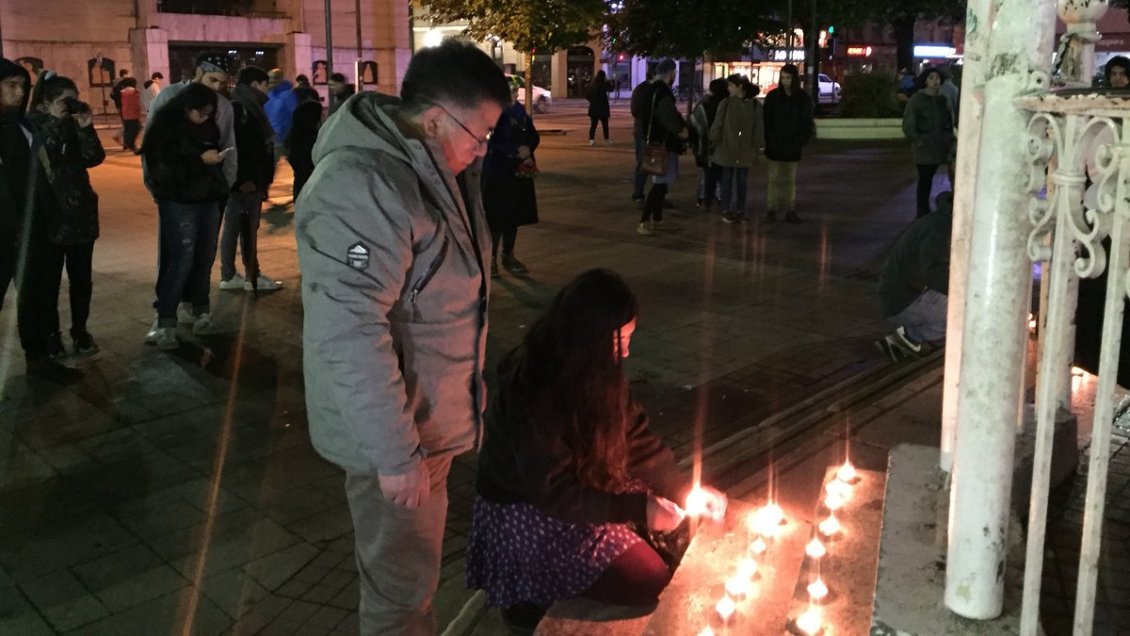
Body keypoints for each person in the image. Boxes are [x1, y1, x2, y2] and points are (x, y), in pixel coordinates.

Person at [295, 39, 510, 634]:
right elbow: (348, 329)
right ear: (438, 117)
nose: (482, 148)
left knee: (412, 576)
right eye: (481, 132)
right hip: (396, 434)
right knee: (399, 587)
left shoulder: (432, 168)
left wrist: (463, 393)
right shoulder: (364, 183)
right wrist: (395, 454)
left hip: (426, 421)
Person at [466, 269, 727, 632]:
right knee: (648, 578)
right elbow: (552, 490)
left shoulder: (596, 370)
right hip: (528, 511)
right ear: (590, 337)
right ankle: (529, 598)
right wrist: (636, 509)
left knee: (675, 535)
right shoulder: (534, 390)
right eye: (620, 339)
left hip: (575, 484)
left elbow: (635, 436)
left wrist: (684, 488)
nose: (627, 350)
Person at [0, 60, 86, 383]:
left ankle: (38, 359)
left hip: (34, 229)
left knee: (36, 297)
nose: (19, 92)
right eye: (10, 85)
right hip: (2, 231)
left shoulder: (25, 127)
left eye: (22, 86)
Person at [143, 52, 237, 341]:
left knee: (203, 253)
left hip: (209, 194)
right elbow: (153, 147)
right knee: (176, 254)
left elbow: (228, 145)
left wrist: (226, 186)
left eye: (222, 83)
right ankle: (165, 315)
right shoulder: (169, 98)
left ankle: (197, 307)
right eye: (212, 80)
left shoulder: (221, 106)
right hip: (176, 195)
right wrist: (154, 185)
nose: (216, 88)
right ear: (198, 73)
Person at [28, 74, 106, 358]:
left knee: (81, 280)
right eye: (64, 101)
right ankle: (52, 335)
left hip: (81, 214)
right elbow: (39, 154)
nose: (70, 106)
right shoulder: (34, 125)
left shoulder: (74, 124)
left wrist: (86, 127)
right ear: (46, 102)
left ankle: (80, 330)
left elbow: (93, 158)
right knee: (48, 283)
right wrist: (55, 122)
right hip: (51, 217)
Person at [218, 66, 281, 293]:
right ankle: (244, 276)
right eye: (265, 85)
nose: (267, 90)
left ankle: (235, 274)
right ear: (255, 84)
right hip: (245, 181)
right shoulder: (241, 108)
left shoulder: (245, 105)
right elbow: (239, 148)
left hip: (249, 180)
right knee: (242, 228)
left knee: (236, 227)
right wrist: (245, 179)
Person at [875, 191, 953, 362]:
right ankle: (909, 336)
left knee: (965, 303)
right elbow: (935, 274)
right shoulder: (941, 229)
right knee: (967, 309)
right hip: (901, 300)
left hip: (904, 294)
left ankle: (908, 338)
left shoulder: (942, 221)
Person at [483, 79, 540, 277]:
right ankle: (490, 260)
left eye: (516, 91)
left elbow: (533, 135)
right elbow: (492, 140)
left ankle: (508, 255)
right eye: (510, 91)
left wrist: (529, 148)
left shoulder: (520, 111)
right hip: (498, 171)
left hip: (517, 171)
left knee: (513, 216)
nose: (514, 94)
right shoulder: (493, 111)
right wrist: (516, 150)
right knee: (496, 218)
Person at [635, 59, 688, 236]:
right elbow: (668, 118)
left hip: (654, 142)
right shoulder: (662, 93)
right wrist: (681, 131)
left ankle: (657, 220)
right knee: (660, 185)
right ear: (671, 73)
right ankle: (644, 221)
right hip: (663, 145)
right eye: (674, 73)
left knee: (661, 184)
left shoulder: (649, 91)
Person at [762, 63, 814, 224]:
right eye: (783, 77)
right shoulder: (773, 97)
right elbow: (766, 120)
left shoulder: (802, 99)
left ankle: (789, 210)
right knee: (774, 179)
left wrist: (799, 141)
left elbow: (806, 123)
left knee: (789, 180)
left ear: (794, 79)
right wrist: (769, 139)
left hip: (792, 146)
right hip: (775, 145)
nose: (785, 81)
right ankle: (772, 209)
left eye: (788, 77)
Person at [902, 67, 955, 218]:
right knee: (925, 179)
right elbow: (909, 124)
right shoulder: (917, 100)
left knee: (951, 176)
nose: (934, 81)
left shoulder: (944, 99)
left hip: (942, 145)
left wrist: (949, 139)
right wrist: (918, 141)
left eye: (937, 78)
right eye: (931, 78)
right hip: (925, 146)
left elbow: (949, 121)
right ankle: (922, 210)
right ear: (925, 80)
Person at [711, 76, 764, 224]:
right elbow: (718, 124)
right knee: (727, 179)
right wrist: (714, 140)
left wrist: (757, 144)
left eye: (731, 86)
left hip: (745, 149)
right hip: (727, 148)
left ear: (740, 87)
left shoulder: (754, 105)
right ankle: (727, 209)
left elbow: (758, 127)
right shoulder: (726, 103)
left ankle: (740, 209)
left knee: (742, 180)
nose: (728, 88)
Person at [688, 78, 728, 212]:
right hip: (722, 146)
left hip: (703, 146)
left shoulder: (704, 104)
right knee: (721, 174)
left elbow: (694, 124)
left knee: (704, 174)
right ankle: (720, 198)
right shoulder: (728, 104)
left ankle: (703, 198)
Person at [264, 68, 298, 163]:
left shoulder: (287, 96)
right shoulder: (269, 94)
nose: (270, 81)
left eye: (273, 78)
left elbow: (291, 117)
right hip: (270, 138)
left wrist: (282, 136)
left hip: (280, 140)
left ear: (279, 80)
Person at [586, 70, 612, 146]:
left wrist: (592, 101)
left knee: (593, 125)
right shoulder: (603, 84)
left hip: (594, 108)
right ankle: (606, 139)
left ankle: (591, 140)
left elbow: (587, 95)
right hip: (603, 107)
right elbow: (611, 89)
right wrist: (608, 81)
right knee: (605, 125)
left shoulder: (592, 85)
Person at [118, 77, 141, 152]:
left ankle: (126, 144)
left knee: (127, 129)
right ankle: (131, 145)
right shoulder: (135, 91)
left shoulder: (122, 92)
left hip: (125, 112)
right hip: (133, 113)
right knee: (136, 128)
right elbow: (136, 103)